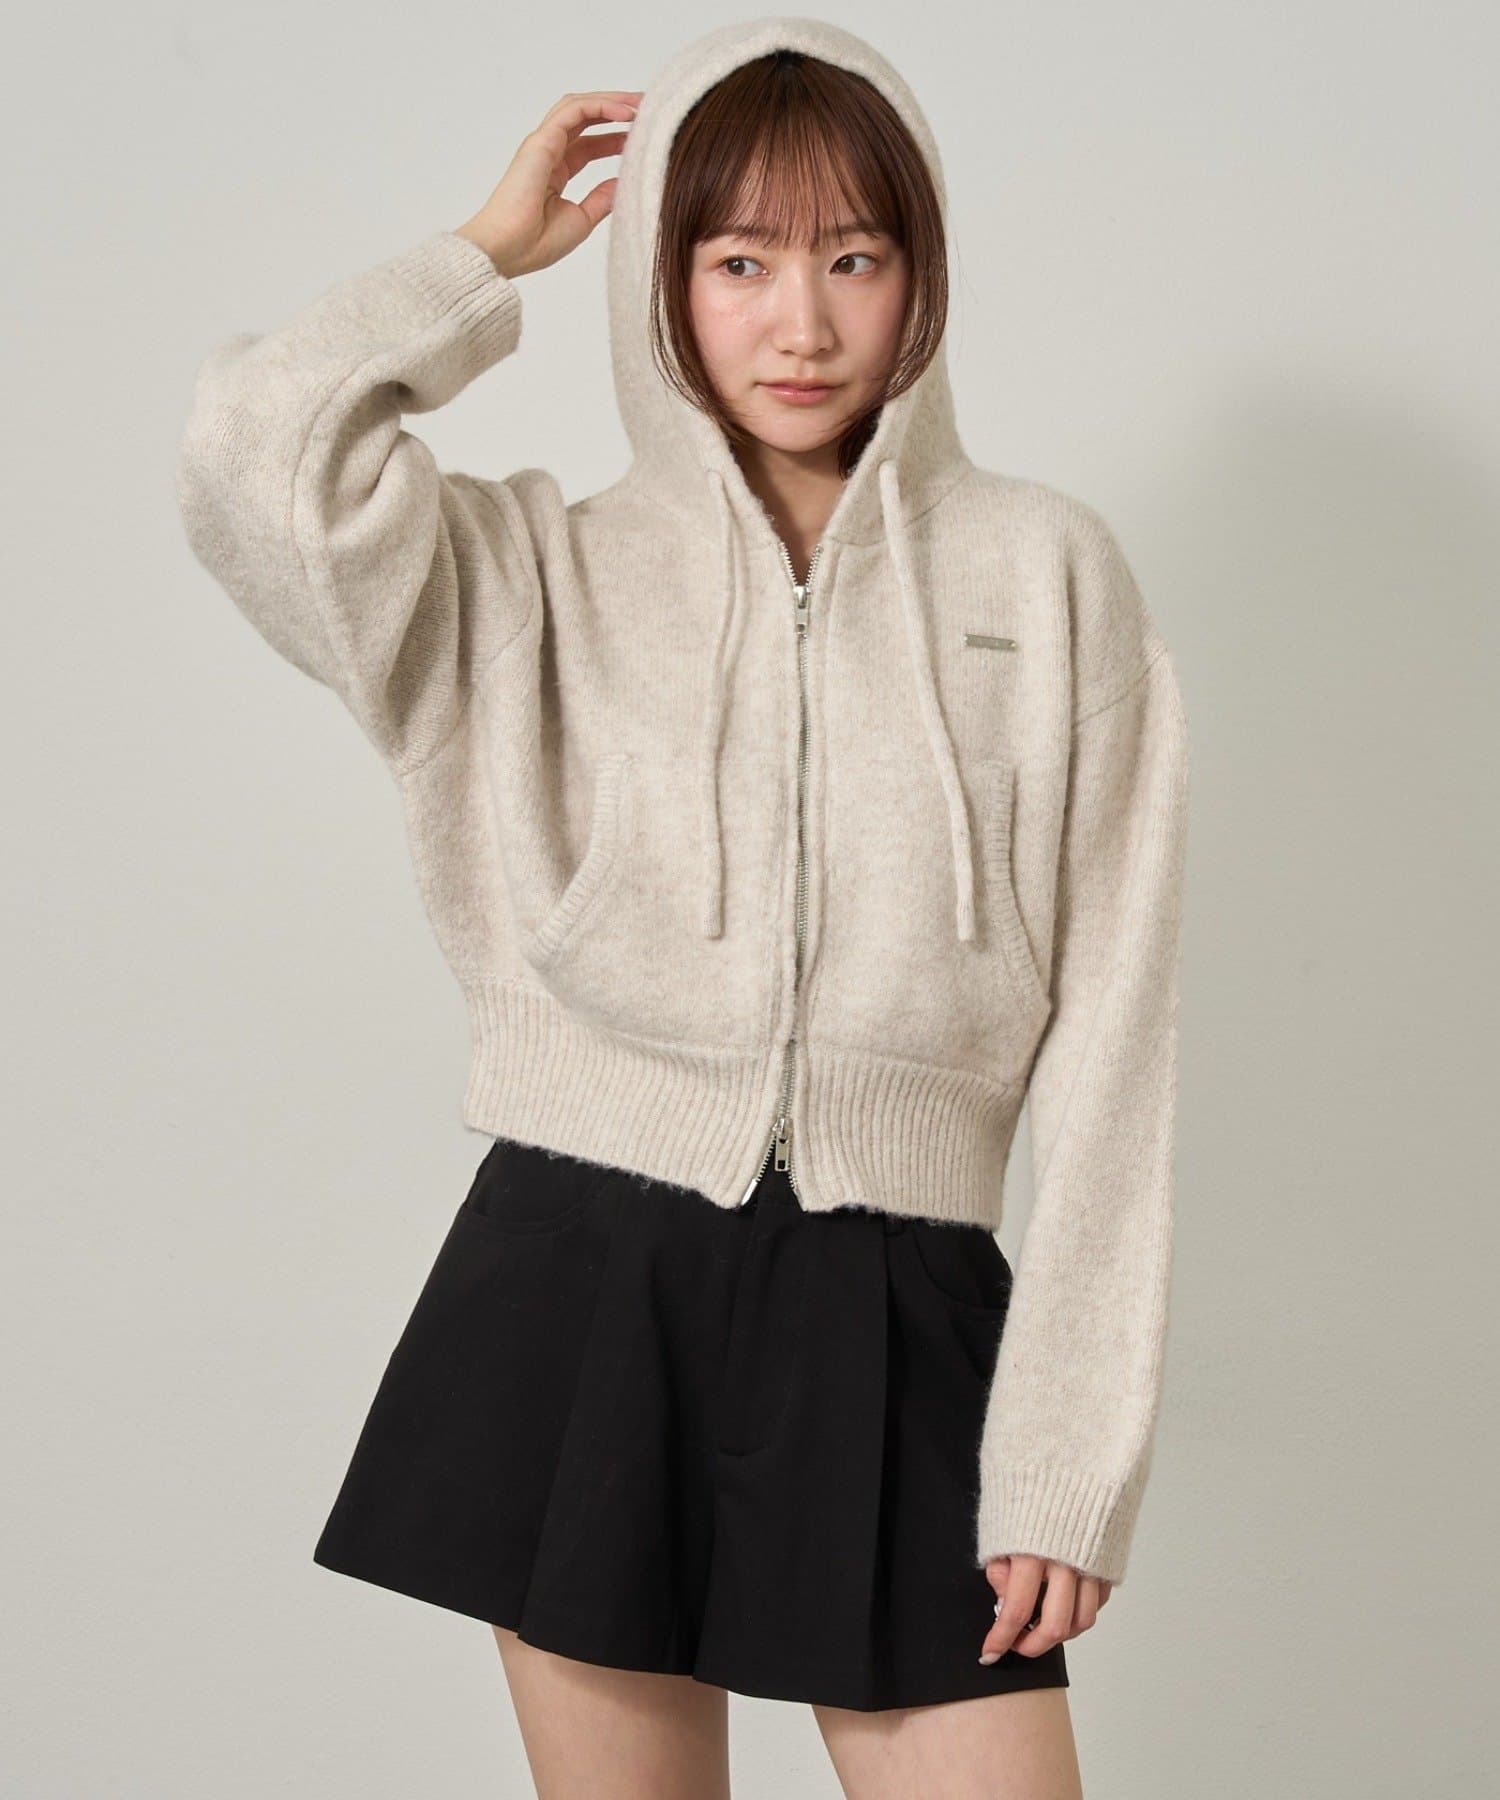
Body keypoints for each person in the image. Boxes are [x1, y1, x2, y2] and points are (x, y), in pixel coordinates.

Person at [174, 17, 1189, 1797]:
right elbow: (254, 463)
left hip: (901, 1299)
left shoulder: (1046, 574)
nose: (802, 325)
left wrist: (1064, 1455)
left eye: (854, 259)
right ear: (660, 276)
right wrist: (477, 261)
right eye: (738, 263)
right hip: (584, 1287)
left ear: (923, 275)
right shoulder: (528, 575)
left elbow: (1120, 1037)